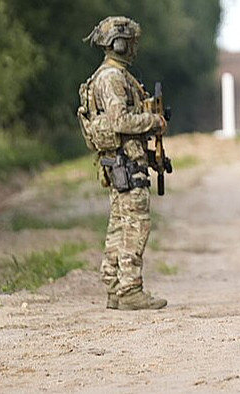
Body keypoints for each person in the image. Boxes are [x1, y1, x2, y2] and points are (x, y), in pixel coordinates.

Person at [76, 16, 169, 311]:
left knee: (119, 223)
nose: (133, 48)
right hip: (126, 162)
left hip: (120, 162)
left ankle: (115, 287)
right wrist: (154, 121)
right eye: (130, 42)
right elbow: (120, 121)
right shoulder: (113, 78)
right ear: (118, 43)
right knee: (136, 223)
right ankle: (129, 289)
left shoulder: (109, 75)